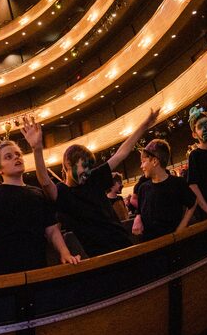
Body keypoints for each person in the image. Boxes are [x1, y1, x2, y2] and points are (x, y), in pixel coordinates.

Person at [0, 117, 80, 287]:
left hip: (37, 267)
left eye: (18, 154)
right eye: (8, 157)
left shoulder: (38, 193)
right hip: (3, 270)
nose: (16, 158)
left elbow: (52, 230)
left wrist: (65, 253)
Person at [33, 110, 159, 257]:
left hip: (123, 244)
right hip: (100, 257)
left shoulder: (93, 179)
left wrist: (144, 125)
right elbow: (45, 182)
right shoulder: (62, 192)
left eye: (89, 167)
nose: (87, 172)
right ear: (68, 164)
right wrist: (37, 149)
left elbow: (120, 154)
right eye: (83, 166)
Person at [132, 139, 197, 241]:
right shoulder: (143, 188)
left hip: (172, 241)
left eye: (143, 162)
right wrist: (137, 217)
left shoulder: (178, 183)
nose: (141, 166)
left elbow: (192, 202)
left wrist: (181, 227)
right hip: (150, 244)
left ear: (154, 161)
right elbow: (140, 211)